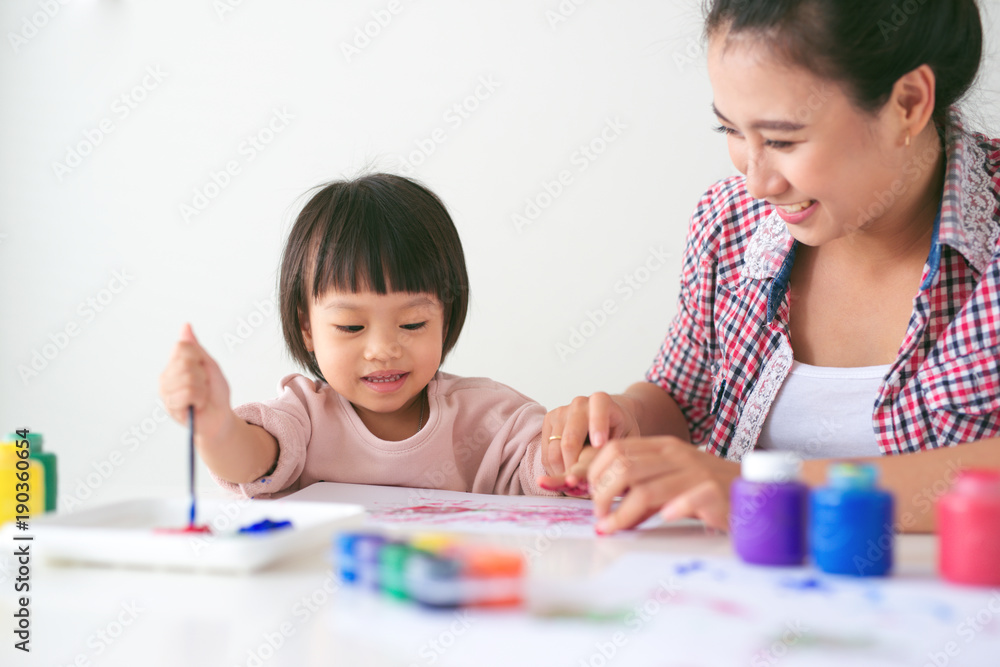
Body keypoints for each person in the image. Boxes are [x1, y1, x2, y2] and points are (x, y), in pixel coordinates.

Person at [541, 0, 1000, 534]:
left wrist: (756, 492)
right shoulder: (731, 220)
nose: (758, 182)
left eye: (783, 139)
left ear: (908, 103)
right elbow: (681, 398)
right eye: (731, 132)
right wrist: (626, 420)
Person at [159, 173, 554, 498]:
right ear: (306, 328)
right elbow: (252, 461)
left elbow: (554, 469)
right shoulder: (303, 419)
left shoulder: (487, 418)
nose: (383, 350)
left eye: (413, 324)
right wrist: (218, 428)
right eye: (351, 327)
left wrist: (579, 458)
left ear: (446, 320)